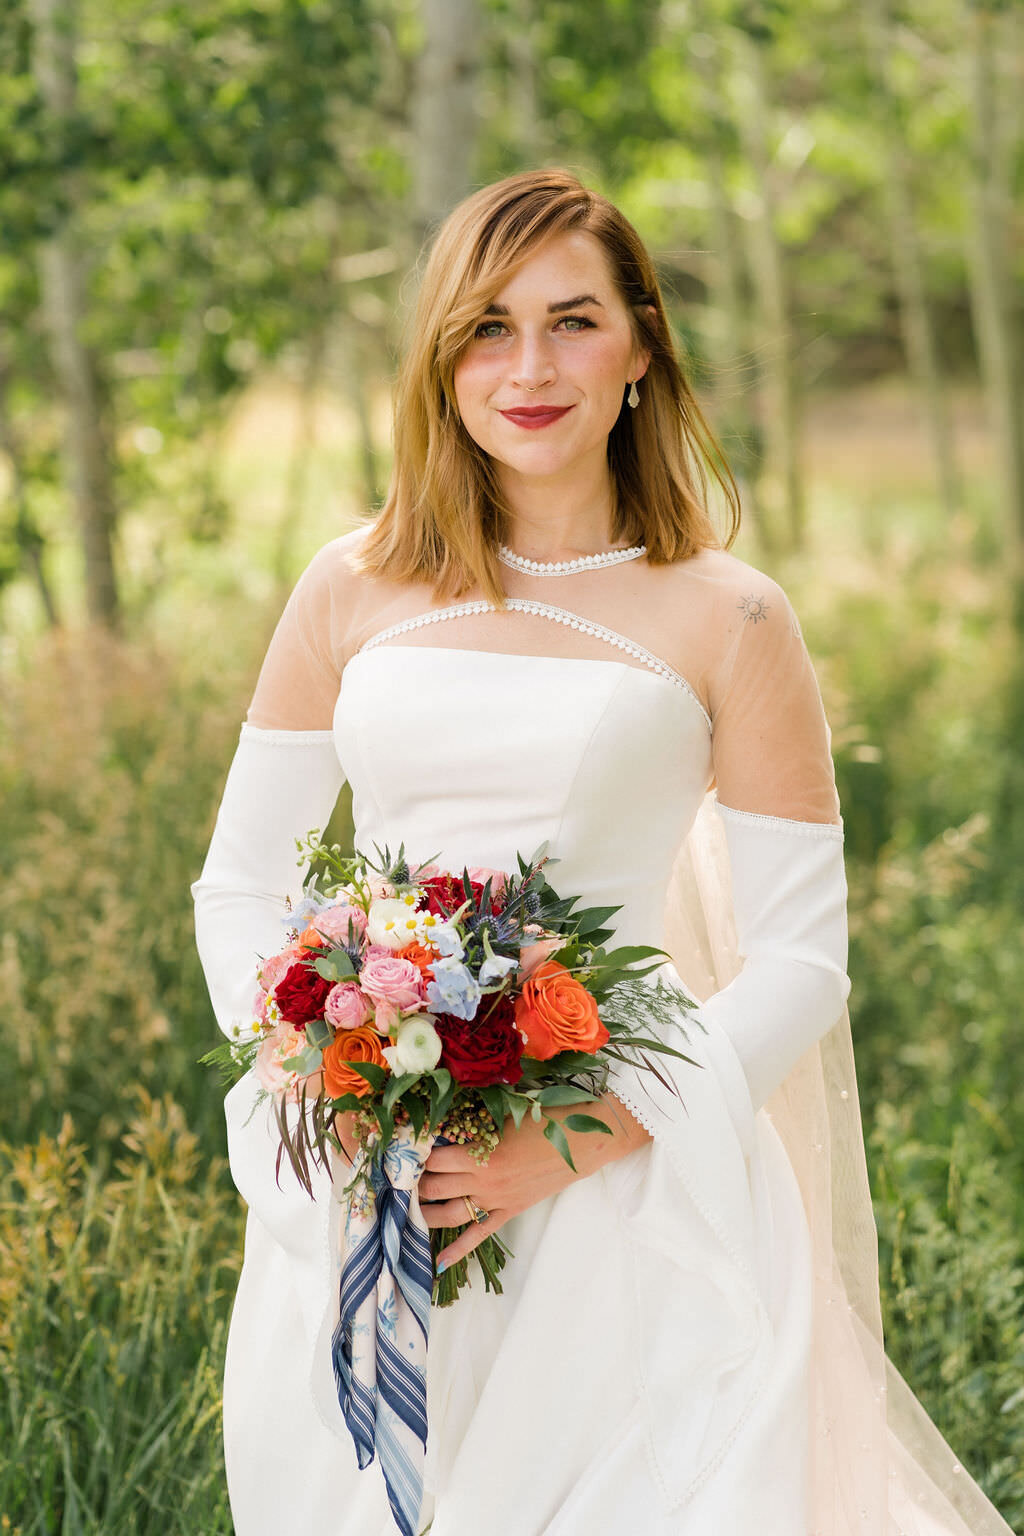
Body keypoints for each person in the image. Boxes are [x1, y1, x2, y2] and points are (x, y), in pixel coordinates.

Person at [191, 169, 1013, 1536]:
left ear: (642, 346)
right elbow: (241, 882)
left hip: (632, 1193)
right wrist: (311, 1069)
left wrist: (569, 1144)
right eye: (487, 328)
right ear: (441, 361)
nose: (529, 367)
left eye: (573, 321)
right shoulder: (349, 586)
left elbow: (804, 960)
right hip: (371, 1179)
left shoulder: (730, 617)